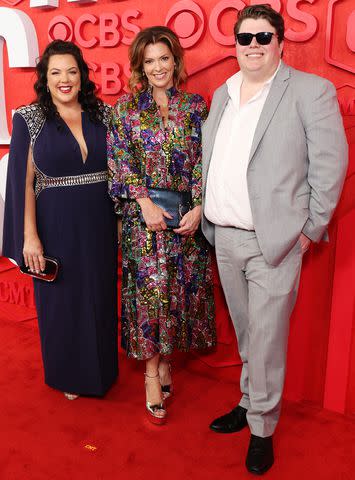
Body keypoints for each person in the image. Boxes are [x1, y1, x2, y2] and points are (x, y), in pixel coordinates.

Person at [202, 4, 348, 475]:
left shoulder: (311, 91)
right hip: (223, 236)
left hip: (274, 242)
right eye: (245, 38)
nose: (253, 46)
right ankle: (249, 403)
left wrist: (309, 230)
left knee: (267, 340)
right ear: (236, 44)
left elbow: (331, 167)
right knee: (248, 334)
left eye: (263, 37)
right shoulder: (223, 93)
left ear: (281, 42)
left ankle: (262, 428)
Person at [108, 26, 216, 424]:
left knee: (178, 296)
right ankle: (152, 375)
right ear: (140, 66)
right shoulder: (125, 110)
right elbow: (119, 160)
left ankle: (167, 361)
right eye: (149, 61)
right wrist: (144, 202)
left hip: (186, 221)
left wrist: (200, 206)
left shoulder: (196, 107)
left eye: (164, 58)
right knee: (152, 299)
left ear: (176, 61)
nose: (158, 67)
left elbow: (209, 160)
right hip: (146, 222)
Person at [2, 40, 118, 400]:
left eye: (72, 71)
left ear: (82, 75)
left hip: (100, 221)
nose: (65, 79)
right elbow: (23, 182)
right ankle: (69, 374)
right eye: (56, 72)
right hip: (56, 224)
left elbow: (120, 171)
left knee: (100, 295)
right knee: (63, 300)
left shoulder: (103, 113)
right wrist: (30, 237)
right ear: (45, 78)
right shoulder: (29, 118)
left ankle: (102, 370)